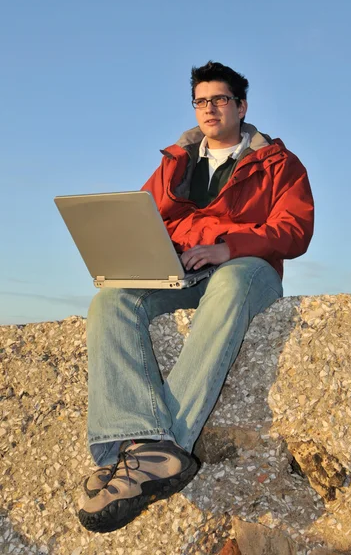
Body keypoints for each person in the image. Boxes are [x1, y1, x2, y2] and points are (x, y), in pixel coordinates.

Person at [78, 61, 314, 533]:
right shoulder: (176, 162)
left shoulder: (279, 163)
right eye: (201, 100)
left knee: (228, 281)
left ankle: (164, 449)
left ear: (241, 106)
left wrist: (229, 247)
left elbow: (295, 230)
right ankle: (133, 439)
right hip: (181, 270)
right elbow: (143, 218)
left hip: (247, 269)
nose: (209, 108)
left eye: (220, 99)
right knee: (111, 300)